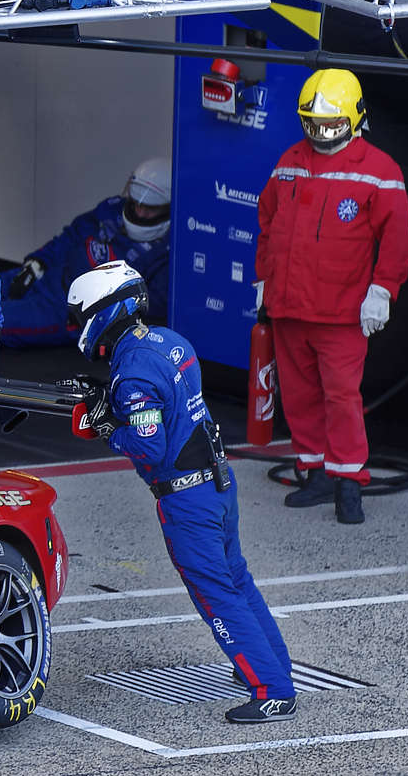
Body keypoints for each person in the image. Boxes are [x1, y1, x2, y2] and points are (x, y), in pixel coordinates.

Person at [68, 261, 296, 724]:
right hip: (217, 483)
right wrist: (112, 403)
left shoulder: (133, 373)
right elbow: (166, 409)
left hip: (187, 500)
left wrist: (108, 428)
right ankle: (269, 668)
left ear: (102, 312)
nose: (78, 327)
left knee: (216, 595)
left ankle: (273, 692)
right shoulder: (167, 341)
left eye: (81, 316)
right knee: (237, 580)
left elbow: (148, 446)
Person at [255, 69, 408, 524]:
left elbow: (399, 242)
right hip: (289, 307)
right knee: (299, 396)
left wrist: (381, 292)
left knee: (342, 398)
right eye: (313, 125)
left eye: (331, 125)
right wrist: (263, 280)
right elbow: (268, 224)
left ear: (355, 118)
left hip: (342, 313)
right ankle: (315, 473)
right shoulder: (289, 161)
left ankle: (348, 481)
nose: (321, 134)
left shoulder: (380, 171)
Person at [0, 158, 172, 346]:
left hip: (65, 311)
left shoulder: (165, 254)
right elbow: (71, 236)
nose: (139, 212)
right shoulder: (111, 210)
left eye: (149, 209)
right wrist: (37, 263)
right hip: (53, 275)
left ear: (167, 208)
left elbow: (148, 308)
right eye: (136, 203)